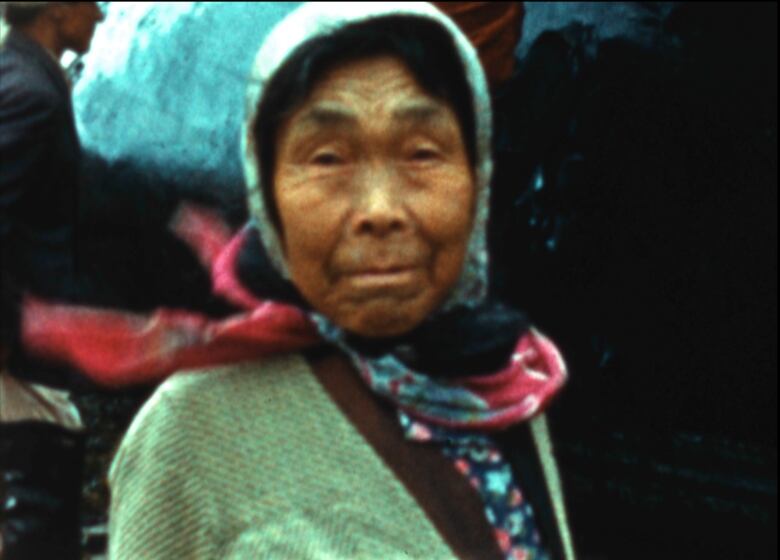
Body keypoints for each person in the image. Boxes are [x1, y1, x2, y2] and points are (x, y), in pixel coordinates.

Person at [21, 3, 575, 558]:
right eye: (328, 158)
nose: (380, 210)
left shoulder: (509, 379)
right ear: (268, 192)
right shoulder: (192, 441)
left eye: (423, 153)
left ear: (476, 179)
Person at [0, 2, 104, 558]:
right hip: (23, 354)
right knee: (39, 531)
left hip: (31, 346)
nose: (103, 17)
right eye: (95, 3)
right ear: (59, 8)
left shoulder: (23, 76)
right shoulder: (30, 94)